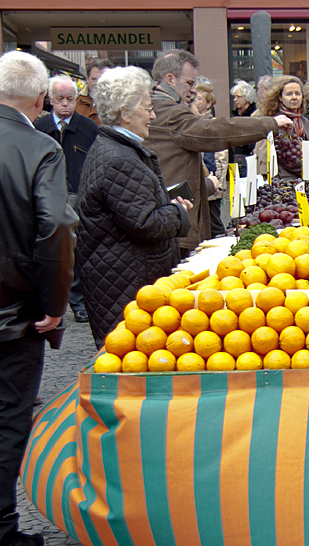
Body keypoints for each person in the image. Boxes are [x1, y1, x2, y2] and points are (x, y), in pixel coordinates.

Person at [0, 51, 78, 546]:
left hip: (7, 306)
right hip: (9, 311)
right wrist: (53, 305)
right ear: (41, 98)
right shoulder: (38, 147)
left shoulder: (37, 144)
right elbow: (56, 229)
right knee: (4, 418)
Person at [76, 67, 193, 349]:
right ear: (126, 113)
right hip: (125, 281)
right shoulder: (119, 158)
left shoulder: (116, 150)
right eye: (147, 108)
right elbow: (145, 223)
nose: (152, 115)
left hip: (120, 275)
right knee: (131, 359)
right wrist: (179, 213)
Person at [144, 50, 290, 255]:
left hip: (167, 213)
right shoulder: (170, 111)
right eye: (189, 83)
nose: (193, 90)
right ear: (170, 79)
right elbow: (212, 133)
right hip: (175, 221)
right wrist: (269, 123)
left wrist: (204, 185)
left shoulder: (157, 107)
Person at [33, 74, 99, 324]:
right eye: (60, 99)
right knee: (49, 252)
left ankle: (79, 303)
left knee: (77, 252)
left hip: (79, 196)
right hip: (47, 197)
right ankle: (52, 305)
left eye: (70, 99)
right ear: (50, 100)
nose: (65, 105)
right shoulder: (39, 129)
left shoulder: (88, 127)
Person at [255, 76, 309, 180]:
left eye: (297, 93)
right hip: (283, 182)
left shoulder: (305, 122)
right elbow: (284, 161)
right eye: (289, 94)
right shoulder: (275, 122)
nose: (294, 97)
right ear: (280, 97)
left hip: (308, 179)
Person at [191, 82, 227, 238]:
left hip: (212, 180)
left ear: (208, 103)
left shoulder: (213, 124)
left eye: (199, 99)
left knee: (214, 221)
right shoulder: (193, 123)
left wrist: (218, 181)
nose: (195, 102)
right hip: (204, 181)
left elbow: (221, 157)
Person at [230, 80, 258, 173]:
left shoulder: (254, 115)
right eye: (234, 97)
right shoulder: (235, 115)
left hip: (248, 157)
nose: (235, 100)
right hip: (235, 157)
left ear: (247, 98)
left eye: (238, 97)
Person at [75, 57, 111, 124]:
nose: (99, 83)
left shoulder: (118, 104)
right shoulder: (75, 100)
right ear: (87, 79)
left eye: (103, 80)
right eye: (95, 79)